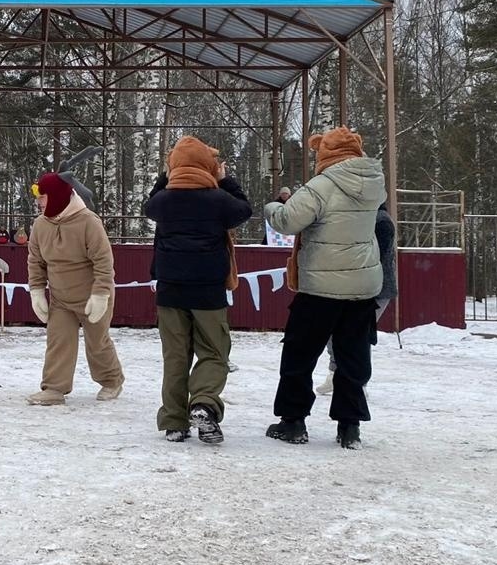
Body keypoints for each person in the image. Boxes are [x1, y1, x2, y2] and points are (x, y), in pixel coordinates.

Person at [263, 127, 385, 449]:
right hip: (362, 287)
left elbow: (288, 221)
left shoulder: (322, 185)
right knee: (353, 357)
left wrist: (274, 207)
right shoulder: (374, 184)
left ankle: (293, 421)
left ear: (325, 154)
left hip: (320, 286)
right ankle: (349, 427)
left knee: (299, 354)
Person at [144, 136, 252, 443]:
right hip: (207, 290)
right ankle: (204, 403)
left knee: (175, 356)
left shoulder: (162, 201)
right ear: (209, 165)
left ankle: (174, 422)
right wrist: (225, 179)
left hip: (170, 289)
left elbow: (149, 205)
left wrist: (166, 176)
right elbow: (244, 210)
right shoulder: (218, 200)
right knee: (214, 351)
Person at [26, 172, 124, 405]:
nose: (38, 202)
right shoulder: (40, 225)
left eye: (43, 196)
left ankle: (112, 380)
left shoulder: (88, 222)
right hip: (60, 297)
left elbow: (103, 261)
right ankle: (54, 388)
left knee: (97, 342)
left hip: (92, 295)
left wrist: (101, 294)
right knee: (58, 340)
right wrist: (37, 291)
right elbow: (35, 261)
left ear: (58, 196)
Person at [317, 202, 398, 395]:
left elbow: (373, 256)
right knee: (342, 332)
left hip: (376, 288)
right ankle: (336, 374)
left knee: (357, 334)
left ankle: (358, 381)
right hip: (361, 285)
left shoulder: (381, 222)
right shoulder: (369, 219)